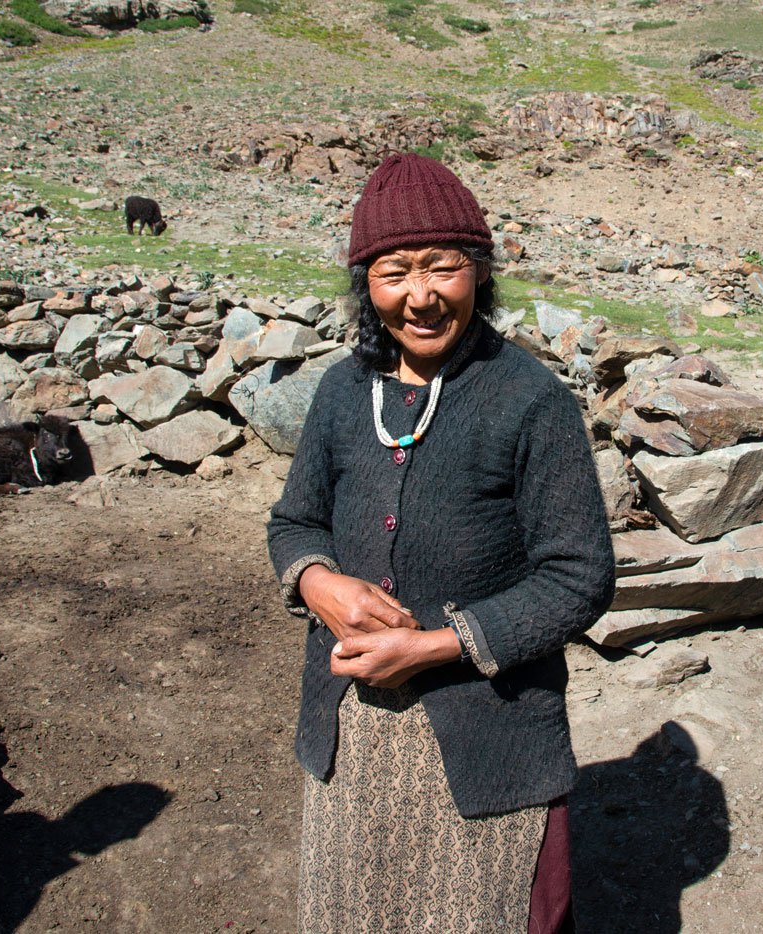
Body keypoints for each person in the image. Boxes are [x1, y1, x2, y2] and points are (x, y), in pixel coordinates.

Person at [267, 152, 615, 933]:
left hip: (488, 732)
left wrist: (431, 648)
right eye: (394, 273)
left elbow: (579, 576)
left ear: (480, 274)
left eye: (442, 267)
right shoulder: (341, 389)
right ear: (368, 286)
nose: (420, 296)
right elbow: (294, 521)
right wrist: (320, 582)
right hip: (353, 731)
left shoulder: (531, 402)